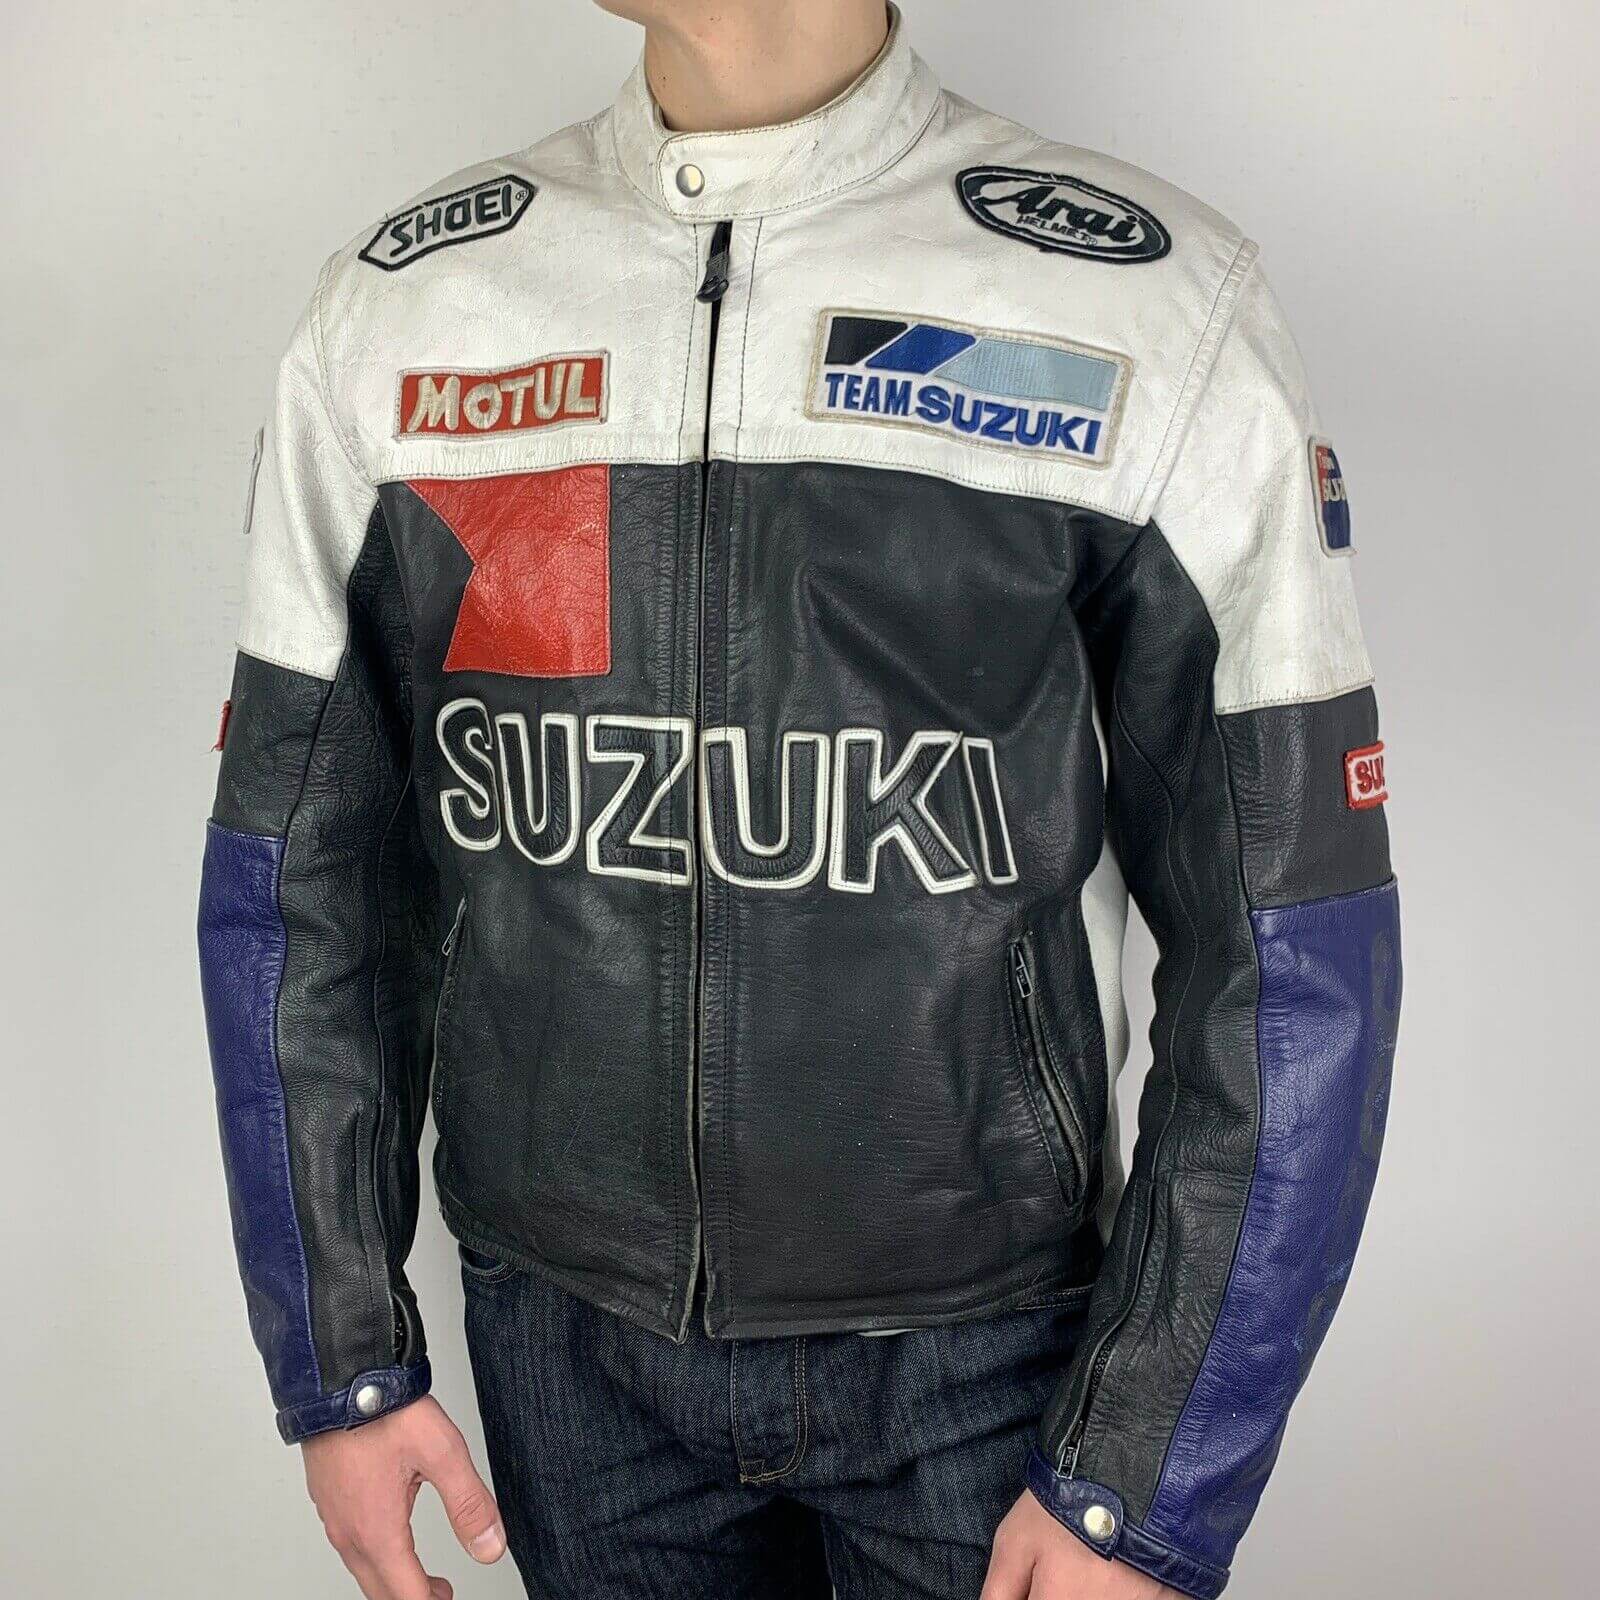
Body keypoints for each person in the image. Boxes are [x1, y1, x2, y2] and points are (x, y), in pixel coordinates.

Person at [196, 2, 1402, 1596]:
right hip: (568, 1347)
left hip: (985, 1362)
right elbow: (296, 881)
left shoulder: (1147, 308)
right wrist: (341, 1354)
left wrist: (1148, 1465)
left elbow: (1294, 941)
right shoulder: (407, 310)